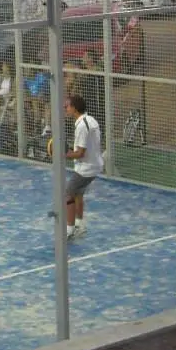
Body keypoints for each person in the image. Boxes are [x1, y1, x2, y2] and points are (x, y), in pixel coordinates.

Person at [63, 93, 104, 240]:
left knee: (67, 194)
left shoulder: (81, 126)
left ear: (74, 108)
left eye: (66, 106)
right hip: (94, 165)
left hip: (86, 168)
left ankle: (69, 230)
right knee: (78, 194)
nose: (65, 108)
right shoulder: (90, 120)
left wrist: (64, 155)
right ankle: (80, 225)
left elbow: (80, 153)